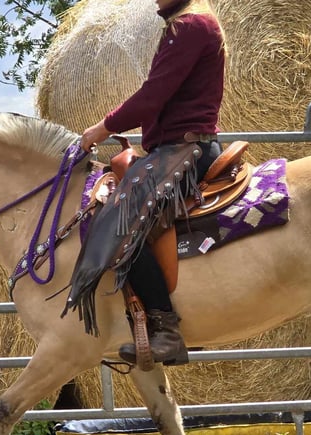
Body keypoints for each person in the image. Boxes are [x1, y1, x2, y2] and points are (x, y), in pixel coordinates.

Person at [75, 0, 227, 366]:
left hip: (185, 150)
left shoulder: (190, 28)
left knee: (123, 223)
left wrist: (102, 128)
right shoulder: (188, 28)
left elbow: (151, 96)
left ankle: (166, 330)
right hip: (173, 148)